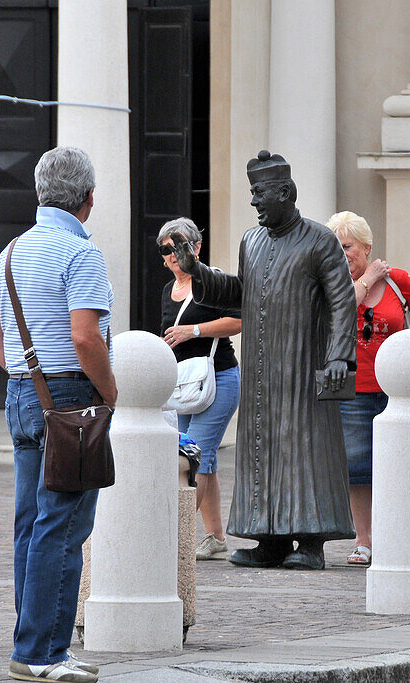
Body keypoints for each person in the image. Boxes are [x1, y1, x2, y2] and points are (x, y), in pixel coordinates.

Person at [170, 150, 356, 571]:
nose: (253, 201)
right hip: (260, 369)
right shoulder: (250, 242)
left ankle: (310, 541)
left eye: (260, 193)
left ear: (285, 192)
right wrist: (196, 271)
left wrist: (340, 356)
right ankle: (268, 539)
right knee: (262, 449)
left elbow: (343, 300)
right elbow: (240, 292)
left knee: (305, 449)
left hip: (305, 365)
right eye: (252, 192)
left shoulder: (319, 240)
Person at [0, 146, 115, 683]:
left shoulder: (10, 252)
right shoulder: (82, 254)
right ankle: (42, 652)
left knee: (31, 524)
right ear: (87, 199)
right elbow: (85, 337)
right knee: (62, 526)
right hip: (71, 397)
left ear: (40, 193)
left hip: (21, 391)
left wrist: (28, 376)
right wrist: (110, 393)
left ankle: (32, 642)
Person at [325, 211, 410, 566]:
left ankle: (399, 532)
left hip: (397, 389)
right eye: (335, 247)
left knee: (401, 463)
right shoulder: (332, 284)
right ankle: (365, 539)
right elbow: (339, 313)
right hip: (354, 387)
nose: (341, 254)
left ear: (366, 246)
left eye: (346, 246)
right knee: (358, 466)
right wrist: (367, 278)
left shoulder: (397, 281)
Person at [156, 217, 242, 561]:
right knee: (201, 460)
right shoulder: (167, 290)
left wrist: (192, 331)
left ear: (196, 247)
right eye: (166, 250)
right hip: (184, 385)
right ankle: (215, 537)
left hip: (218, 378)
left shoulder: (214, 281)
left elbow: (238, 321)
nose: (172, 256)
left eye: (178, 247)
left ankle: (174, 537)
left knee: (193, 456)